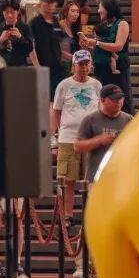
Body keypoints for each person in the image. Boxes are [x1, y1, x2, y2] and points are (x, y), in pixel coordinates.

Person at [51, 50, 101, 225]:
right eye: (80, 64)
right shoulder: (64, 85)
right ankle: (67, 215)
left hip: (90, 139)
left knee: (91, 179)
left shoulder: (96, 85)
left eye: (86, 64)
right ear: (73, 66)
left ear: (91, 65)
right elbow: (56, 112)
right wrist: (56, 136)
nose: (83, 67)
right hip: (68, 138)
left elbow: (100, 110)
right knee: (68, 180)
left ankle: (90, 215)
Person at [82, 0, 131, 112]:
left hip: (117, 67)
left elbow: (118, 46)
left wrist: (97, 43)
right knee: (104, 100)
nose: (98, 10)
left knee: (121, 100)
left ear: (108, 9)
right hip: (102, 68)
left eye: (100, 8)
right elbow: (100, 46)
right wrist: (88, 44)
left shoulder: (122, 24)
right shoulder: (103, 25)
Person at [30, 0, 67, 94]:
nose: (51, 5)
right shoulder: (35, 23)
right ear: (41, 2)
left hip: (58, 68)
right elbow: (31, 48)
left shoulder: (56, 21)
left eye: (53, 2)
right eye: (48, 2)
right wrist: (38, 68)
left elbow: (60, 43)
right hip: (44, 68)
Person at [0, 0, 34, 67]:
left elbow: (30, 49)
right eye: (7, 12)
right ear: (3, 12)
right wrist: (0, 40)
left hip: (21, 68)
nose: (9, 15)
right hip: (1, 68)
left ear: (18, 12)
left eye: (12, 12)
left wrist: (20, 37)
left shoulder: (25, 28)